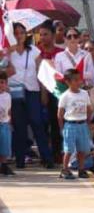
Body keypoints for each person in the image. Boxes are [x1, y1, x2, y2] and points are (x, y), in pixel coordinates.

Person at [5, 22, 53, 169]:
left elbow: (41, 73)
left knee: (37, 123)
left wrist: (44, 93)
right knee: (19, 127)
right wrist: (7, 57)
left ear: (26, 35)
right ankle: (20, 160)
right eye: (16, 33)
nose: (19, 36)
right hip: (14, 92)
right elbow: (3, 73)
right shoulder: (7, 51)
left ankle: (47, 158)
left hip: (32, 91)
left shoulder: (33, 50)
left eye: (22, 33)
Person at [56, 69, 93, 180]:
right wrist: (62, 128)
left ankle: (81, 169)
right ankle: (65, 169)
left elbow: (89, 109)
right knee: (69, 149)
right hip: (70, 125)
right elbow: (60, 114)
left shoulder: (84, 94)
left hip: (82, 124)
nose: (78, 82)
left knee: (82, 149)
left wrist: (87, 122)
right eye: (75, 80)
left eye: (79, 79)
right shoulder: (65, 96)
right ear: (68, 82)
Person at [0, 75, 10, 176]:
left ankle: (4, 165)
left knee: (5, 146)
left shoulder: (7, 96)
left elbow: (9, 110)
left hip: (4, 123)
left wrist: (10, 122)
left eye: (2, 82)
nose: (0, 85)